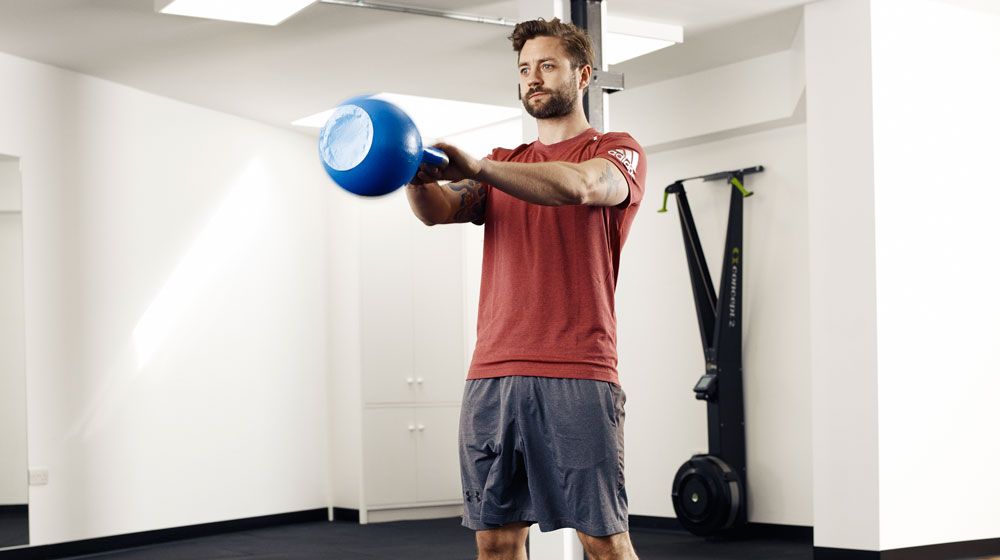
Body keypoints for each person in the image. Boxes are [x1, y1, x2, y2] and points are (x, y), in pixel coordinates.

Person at [405, 17, 646, 560]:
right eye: (523, 69)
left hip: (577, 370)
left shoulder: (615, 152)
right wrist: (412, 176)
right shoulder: (507, 165)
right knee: (494, 541)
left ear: (582, 75)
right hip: (492, 374)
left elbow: (580, 188)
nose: (532, 78)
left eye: (546, 66)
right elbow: (438, 210)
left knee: (604, 541)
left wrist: (481, 167)